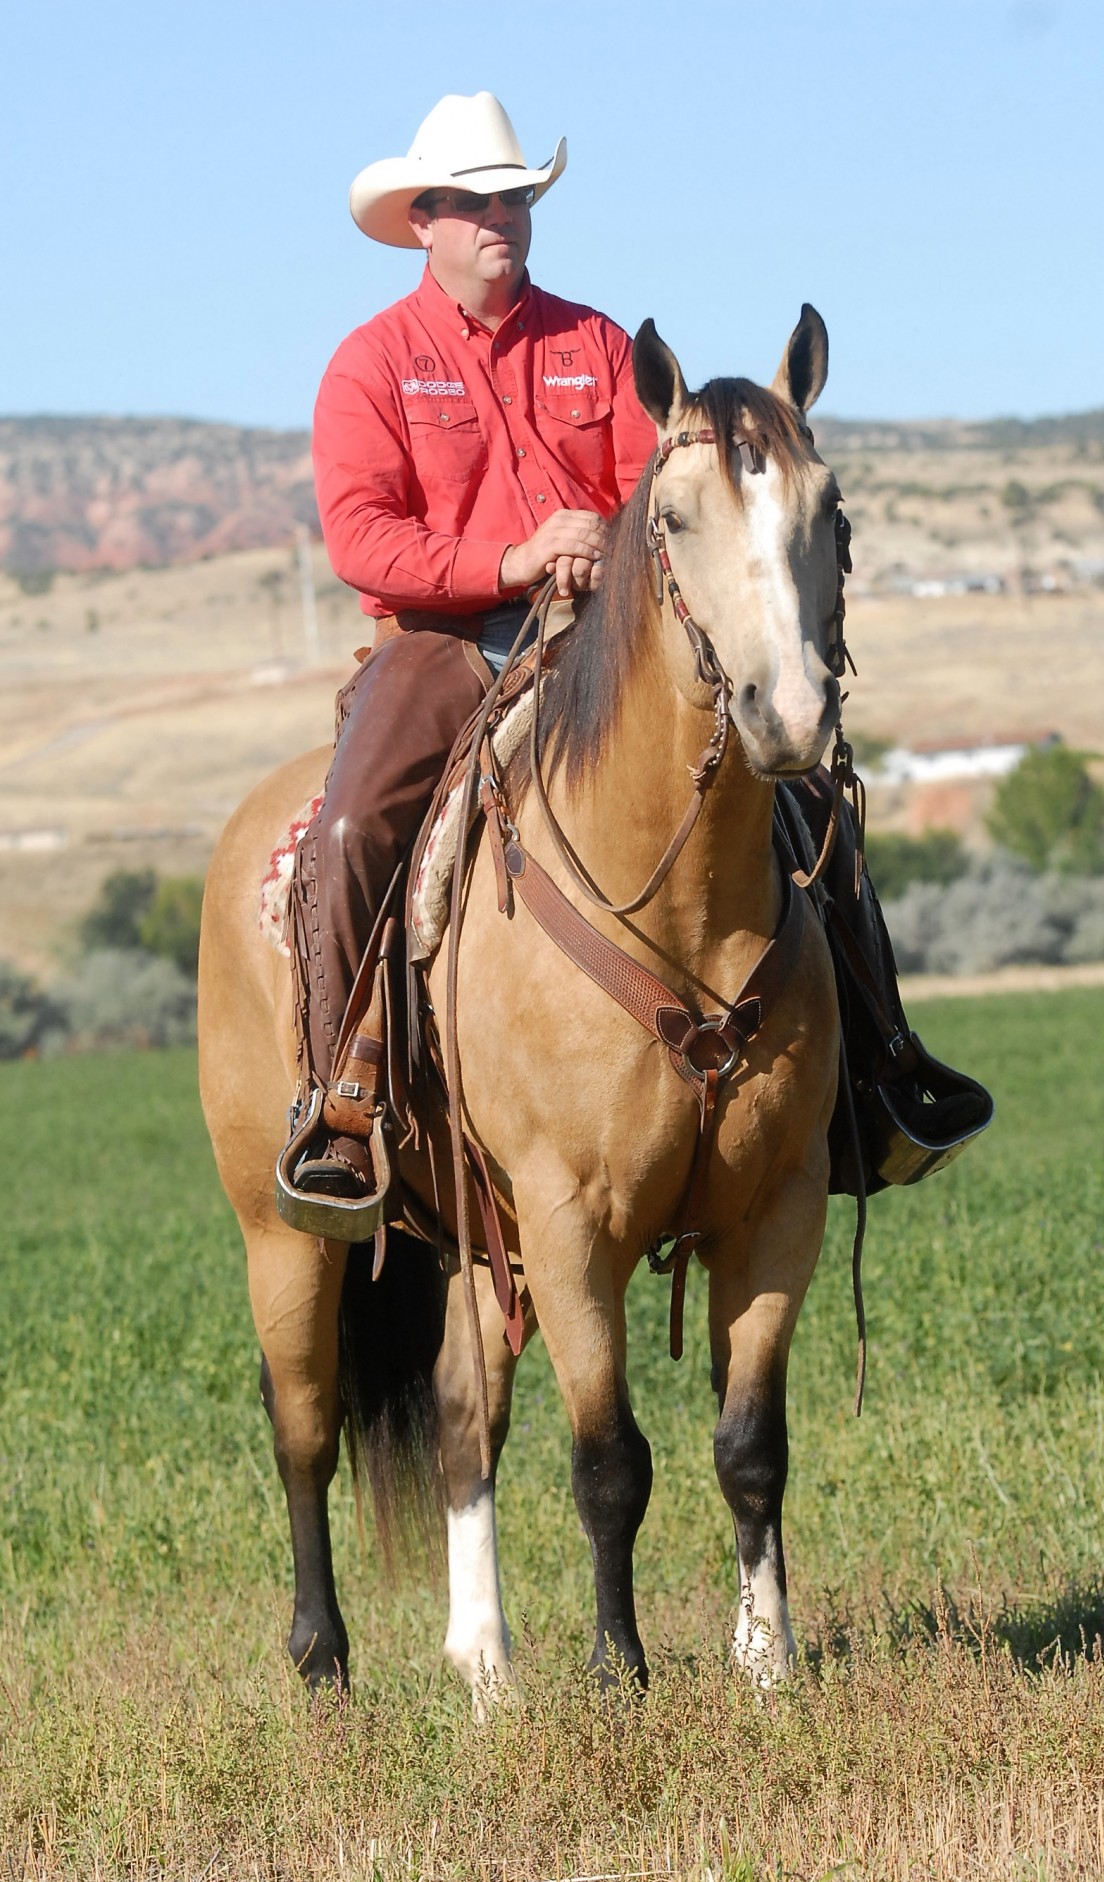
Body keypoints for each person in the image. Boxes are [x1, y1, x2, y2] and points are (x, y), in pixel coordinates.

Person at [289, 93, 657, 1199]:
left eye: (514, 198)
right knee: (351, 824)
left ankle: (871, 1069)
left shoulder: (599, 342)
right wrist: (512, 558)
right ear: (423, 221)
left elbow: (651, 481)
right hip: (441, 643)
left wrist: (613, 544)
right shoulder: (373, 362)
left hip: (604, 634)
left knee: (789, 785)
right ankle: (340, 1103)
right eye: (474, 201)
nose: (501, 215)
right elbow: (363, 539)